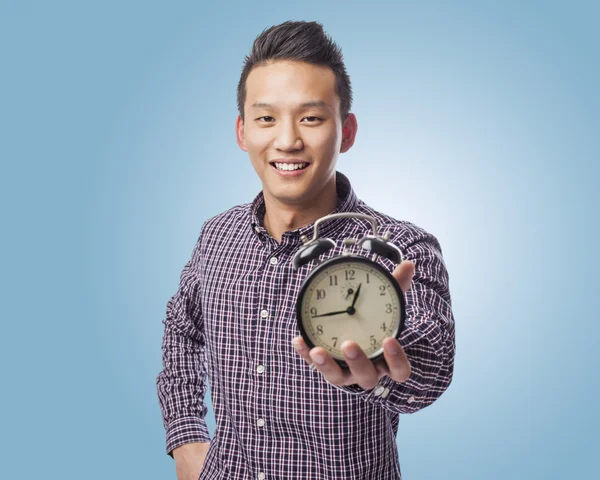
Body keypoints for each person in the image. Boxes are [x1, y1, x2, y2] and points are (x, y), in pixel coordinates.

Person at [156, 20, 456, 480]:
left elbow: (430, 374)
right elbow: (181, 329)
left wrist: (384, 356)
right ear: (242, 132)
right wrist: (186, 439)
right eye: (266, 118)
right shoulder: (216, 235)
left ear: (347, 131)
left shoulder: (400, 249)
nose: (288, 139)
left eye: (311, 117)